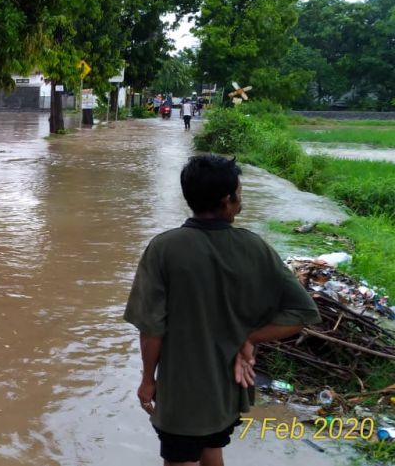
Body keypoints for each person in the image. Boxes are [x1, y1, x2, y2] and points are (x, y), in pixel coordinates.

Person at [124, 155, 321, 466]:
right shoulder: (255, 248)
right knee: (211, 449)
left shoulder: (164, 248)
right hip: (228, 390)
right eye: (239, 193)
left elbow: (152, 329)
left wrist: (148, 380)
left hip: (182, 393)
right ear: (227, 200)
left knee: (180, 458)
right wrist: (250, 338)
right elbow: (303, 312)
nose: (240, 201)